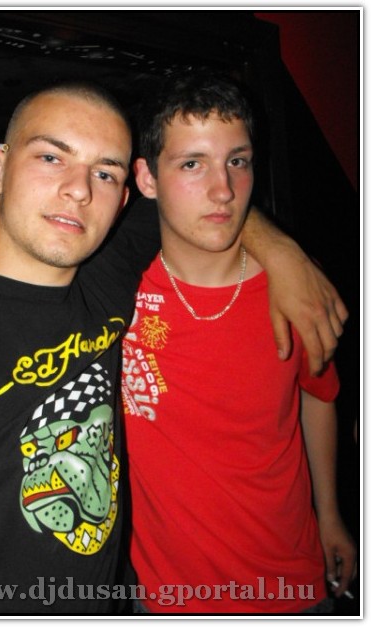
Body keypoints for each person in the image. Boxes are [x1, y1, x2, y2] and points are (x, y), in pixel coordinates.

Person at [0, 78, 349, 616]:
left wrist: (285, 254)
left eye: (104, 172)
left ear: (123, 197)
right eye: (51, 157)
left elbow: (212, 203)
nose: (79, 190)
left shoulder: (111, 277)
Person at [121, 70, 356, 614]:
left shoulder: (297, 290)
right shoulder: (115, 290)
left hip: (291, 587)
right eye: (192, 164)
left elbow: (317, 396)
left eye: (238, 161)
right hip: (167, 597)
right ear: (147, 177)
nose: (223, 190)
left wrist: (330, 514)